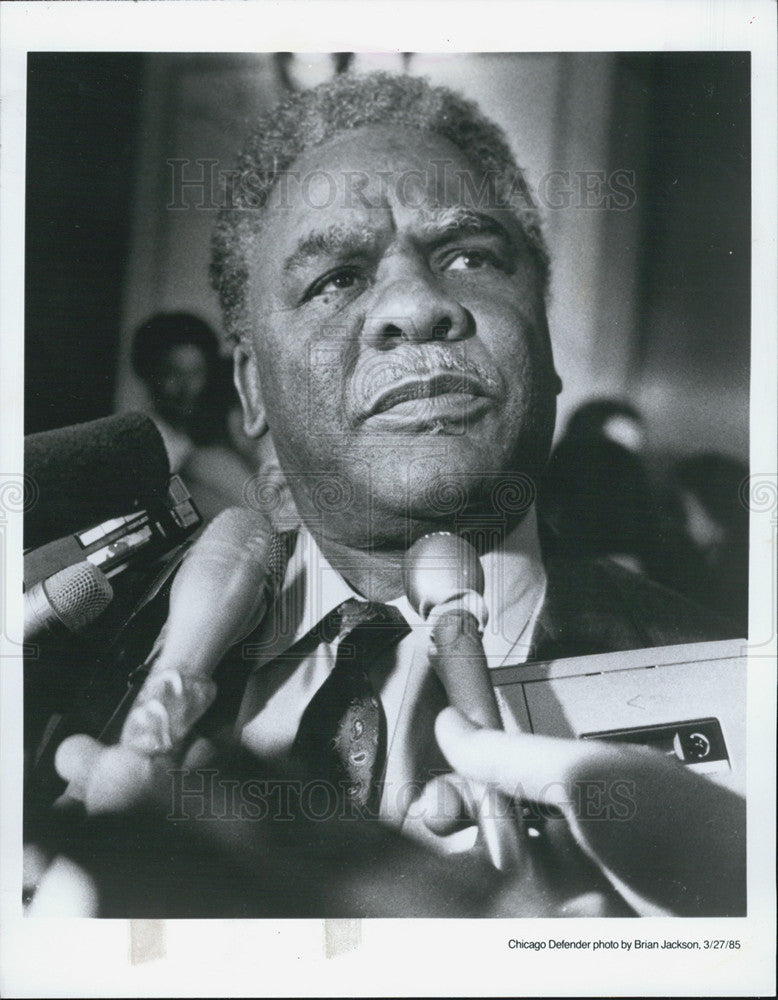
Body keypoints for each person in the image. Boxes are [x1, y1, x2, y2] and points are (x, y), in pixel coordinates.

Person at [49, 71, 742, 916]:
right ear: (251, 389)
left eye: (471, 257)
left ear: (549, 345)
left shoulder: (736, 687)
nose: (417, 306)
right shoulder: (70, 659)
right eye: (337, 278)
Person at [131, 311, 255, 521]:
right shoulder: (140, 439)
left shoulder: (215, 429)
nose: (188, 387)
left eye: (196, 373)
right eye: (173, 374)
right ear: (150, 374)